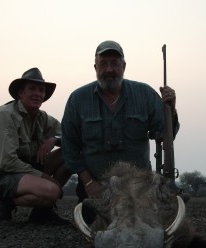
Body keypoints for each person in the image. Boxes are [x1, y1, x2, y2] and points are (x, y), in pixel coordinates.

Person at [61, 40, 179, 224]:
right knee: (96, 226)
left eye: (115, 64)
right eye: (103, 64)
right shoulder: (77, 99)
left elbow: (164, 135)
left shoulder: (146, 94)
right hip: (96, 187)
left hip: (139, 188)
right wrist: (89, 183)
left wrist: (171, 109)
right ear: (95, 67)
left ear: (124, 66)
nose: (109, 69)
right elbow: (69, 145)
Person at [0, 68, 71, 224]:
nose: (38, 93)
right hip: (0, 176)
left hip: (26, 168)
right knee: (53, 190)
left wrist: (54, 140)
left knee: (69, 155)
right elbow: (7, 162)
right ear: (20, 93)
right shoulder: (6, 115)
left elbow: (69, 134)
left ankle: (41, 213)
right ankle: (4, 202)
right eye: (32, 89)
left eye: (41, 90)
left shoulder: (42, 117)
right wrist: (45, 177)